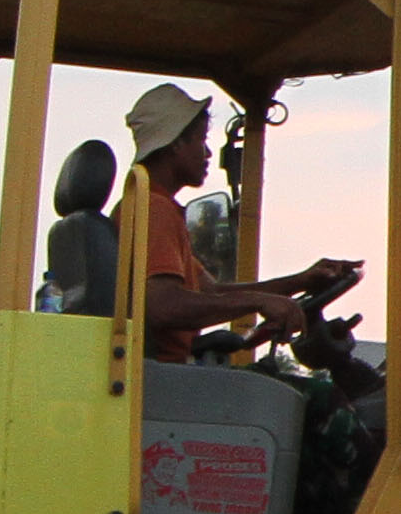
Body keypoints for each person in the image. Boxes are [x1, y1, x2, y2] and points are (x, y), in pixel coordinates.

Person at [119, 83, 356, 365]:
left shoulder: (144, 205)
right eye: (200, 140)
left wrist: (301, 280)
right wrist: (258, 302)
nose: (207, 153)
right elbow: (163, 306)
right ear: (175, 143)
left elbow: (212, 293)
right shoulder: (154, 210)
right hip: (165, 376)